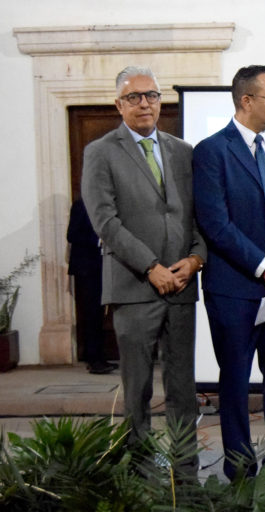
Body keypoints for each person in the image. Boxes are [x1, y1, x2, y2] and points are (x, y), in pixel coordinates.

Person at [81, 66, 205, 475]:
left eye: (151, 95)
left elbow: (200, 217)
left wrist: (195, 259)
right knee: (137, 388)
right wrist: (151, 267)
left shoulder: (183, 151)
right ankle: (138, 468)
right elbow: (105, 222)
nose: (144, 103)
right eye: (134, 97)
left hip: (183, 284)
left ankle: (185, 468)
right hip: (135, 286)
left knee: (183, 387)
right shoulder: (101, 151)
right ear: (119, 104)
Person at [193, 65, 265, 480]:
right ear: (247, 101)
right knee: (236, 381)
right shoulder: (212, 151)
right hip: (235, 289)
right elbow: (215, 222)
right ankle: (240, 468)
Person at [66, 197, 118, 375]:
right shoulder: (81, 204)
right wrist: (98, 239)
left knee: (100, 314)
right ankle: (94, 359)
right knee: (91, 314)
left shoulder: (107, 204)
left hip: (102, 267)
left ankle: (99, 356)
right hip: (87, 269)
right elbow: (72, 234)